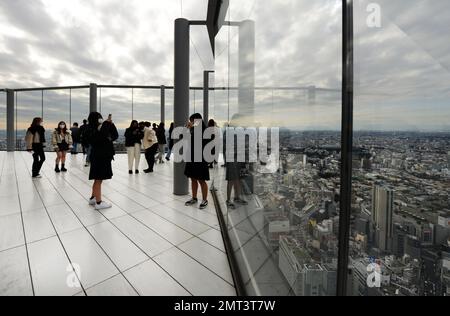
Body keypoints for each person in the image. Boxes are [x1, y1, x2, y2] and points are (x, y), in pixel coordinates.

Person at [85, 112, 118, 210]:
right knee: (99, 178)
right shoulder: (91, 129)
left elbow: (114, 136)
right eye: (99, 118)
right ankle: (99, 203)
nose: (101, 119)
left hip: (102, 156)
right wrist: (106, 124)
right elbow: (101, 137)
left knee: (98, 178)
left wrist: (111, 124)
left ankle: (93, 198)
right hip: (100, 156)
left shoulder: (102, 127)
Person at [184, 113, 210, 210]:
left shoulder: (204, 130)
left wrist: (191, 129)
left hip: (201, 158)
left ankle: (204, 199)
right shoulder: (193, 130)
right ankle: (194, 198)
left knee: (201, 179)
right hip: (192, 157)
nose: (191, 122)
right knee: (193, 178)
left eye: (192, 120)